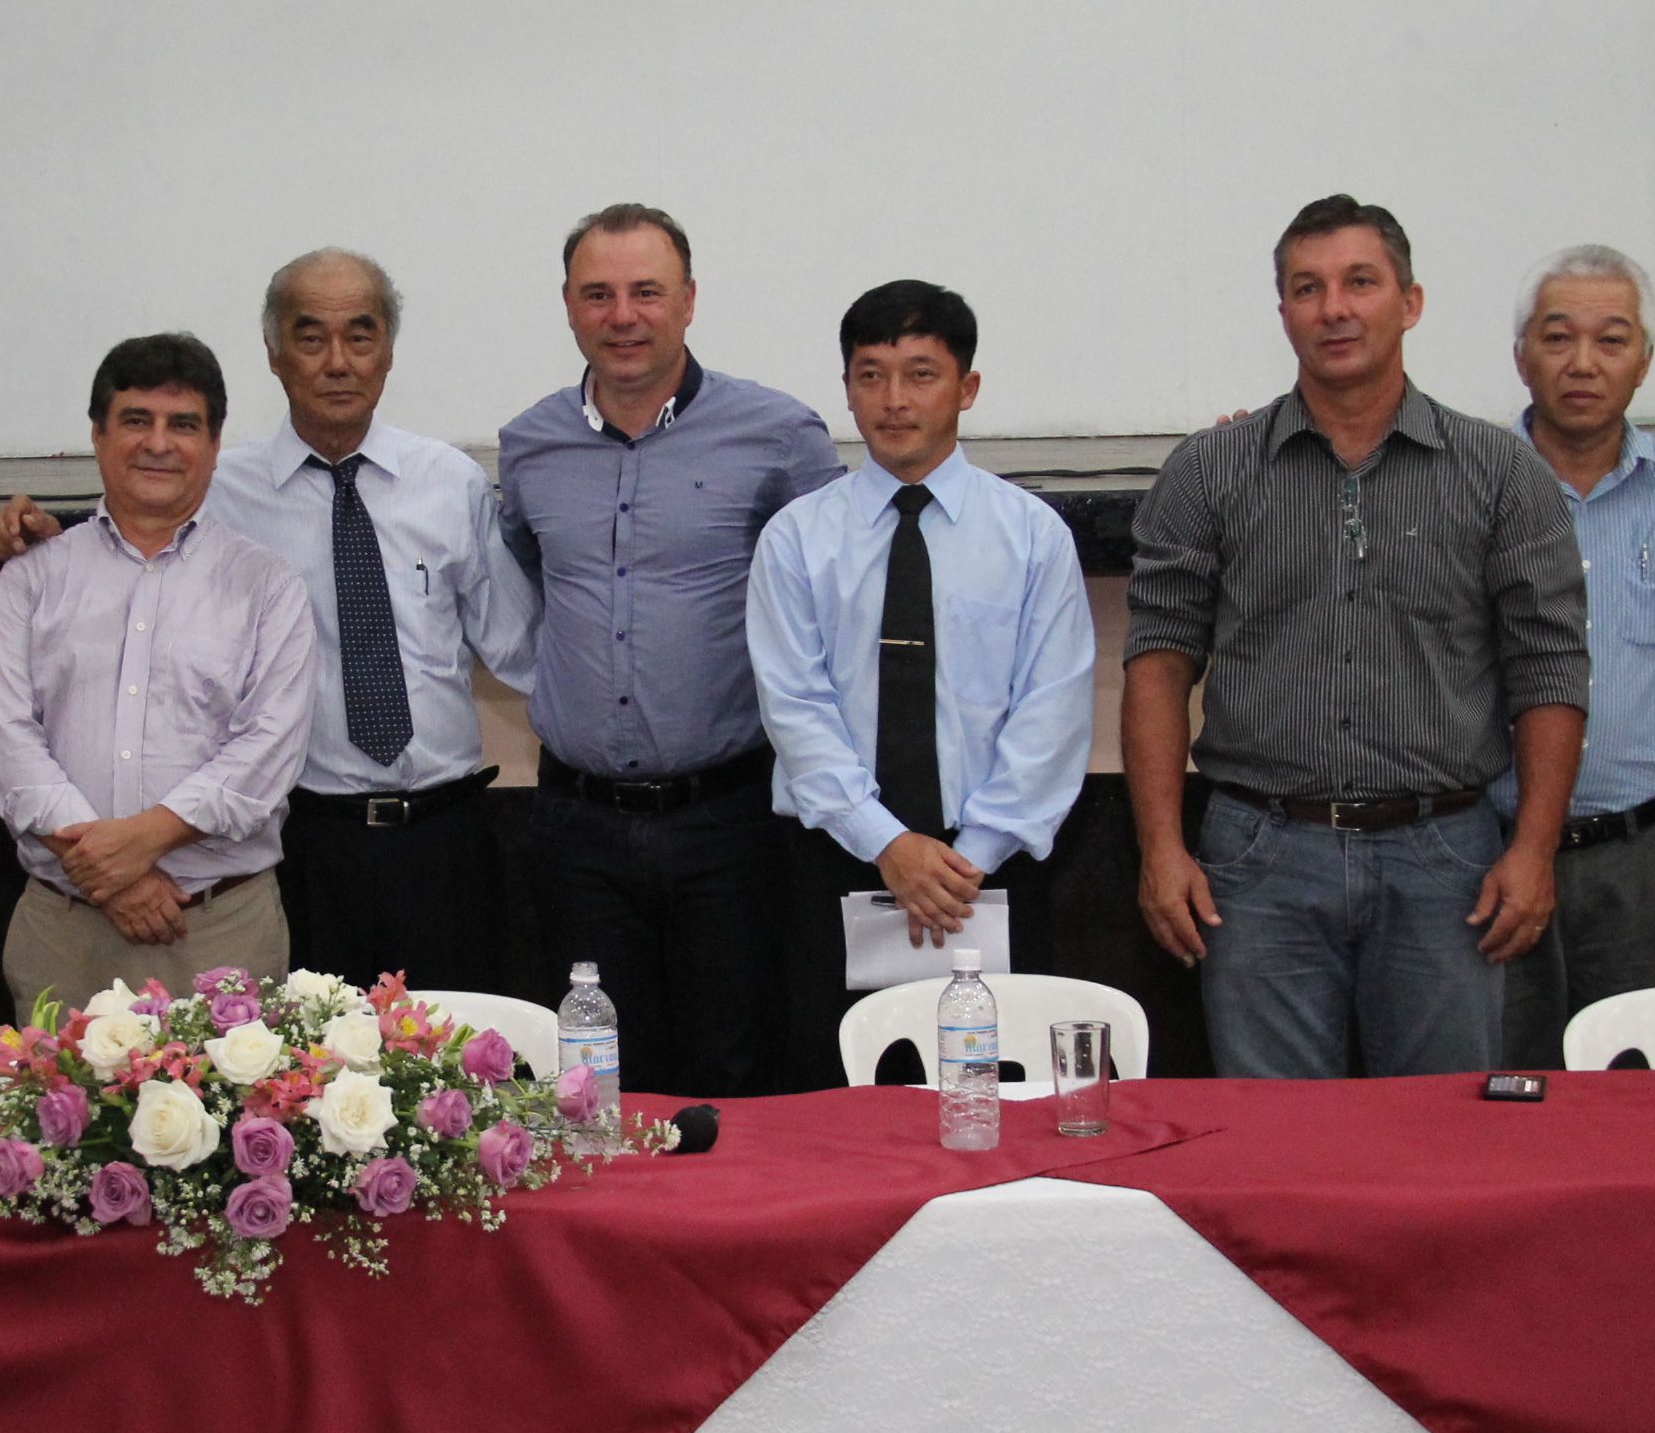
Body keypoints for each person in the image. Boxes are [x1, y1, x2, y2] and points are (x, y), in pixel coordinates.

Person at [1122, 194, 1587, 1078]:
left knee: (1438, 1134)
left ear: (1410, 303)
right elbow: (1158, 663)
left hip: (1447, 859)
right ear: (1284, 312)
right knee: (1277, 1139)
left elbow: (1550, 668)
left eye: (1360, 283)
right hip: (1259, 859)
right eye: (1308, 288)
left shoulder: (1500, 474)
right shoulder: (1210, 471)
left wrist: (1533, 850)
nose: (1334, 308)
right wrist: (1161, 847)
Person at [496, 204, 841, 1097]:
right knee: (599, 1083)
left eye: (646, 292)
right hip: (578, 826)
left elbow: (840, 586)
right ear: (568, 306)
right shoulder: (529, 445)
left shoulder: (778, 436)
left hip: (730, 820)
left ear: (688, 300)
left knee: (738, 1073)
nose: (623, 316)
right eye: (598, 294)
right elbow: (531, 576)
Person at [747, 280, 1094, 1089]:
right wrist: (888, 845)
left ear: (967, 388)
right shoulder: (797, 539)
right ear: (846, 389)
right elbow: (795, 710)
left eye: (920, 374)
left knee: (993, 1099)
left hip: (988, 870)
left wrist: (964, 863)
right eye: (870, 376)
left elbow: (1052, 713)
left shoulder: (1031, 536)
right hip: (838, 857)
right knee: (840, 1099)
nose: (893, 400)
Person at [201, 248, 539, 994]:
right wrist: (28, 535)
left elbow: (523, 649)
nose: (338, 362)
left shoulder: (449, 482)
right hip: (303, 843)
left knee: (461, 1052)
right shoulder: (219, 496)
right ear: (274, 355)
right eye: (311, 337)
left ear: (387, 351)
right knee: (310, 1058)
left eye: (360, 336)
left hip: (446, 842)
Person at [0, 333, 314, 1010]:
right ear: (98, 435)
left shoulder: (267, 585)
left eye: (182, 425)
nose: (158, 443)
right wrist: (115, 878)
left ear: (214, 445)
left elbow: (267, 752)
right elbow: (8, 745)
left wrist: (139, 843)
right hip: (66, 930)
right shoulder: (32, 578)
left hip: (219, 927)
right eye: (136, 420)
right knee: (51, 1087)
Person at [1499, 246, 1655, 1067]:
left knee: (1647, 1097)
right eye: (1558, 338)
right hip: (1491, 852)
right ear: (1522, 356)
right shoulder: (1470, 483)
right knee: (1499, 1093)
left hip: (1646, 855)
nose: (1583, 363)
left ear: (1644, 361)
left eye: (1611, 341)